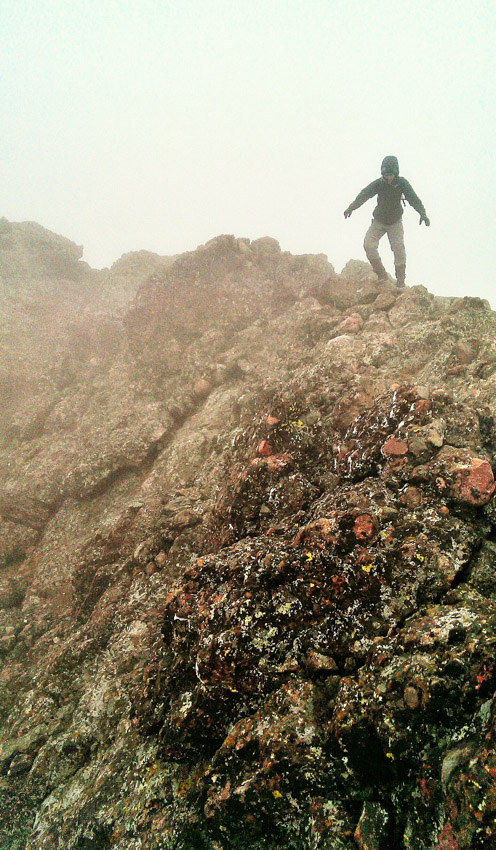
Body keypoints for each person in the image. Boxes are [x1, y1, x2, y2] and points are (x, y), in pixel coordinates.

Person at [343, 155, 430, 287]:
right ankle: (381, 274)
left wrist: (422, 213)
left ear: (396, 172)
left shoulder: (402, 184)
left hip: (395, 222)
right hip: (379, 221)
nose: (388, 178)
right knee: (368, 245)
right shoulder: (379, 183)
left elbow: (413, 199)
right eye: (386, 175)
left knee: (398, 249)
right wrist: (351, 208)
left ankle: (400, 281)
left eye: (390, 175)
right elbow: (364, 195)